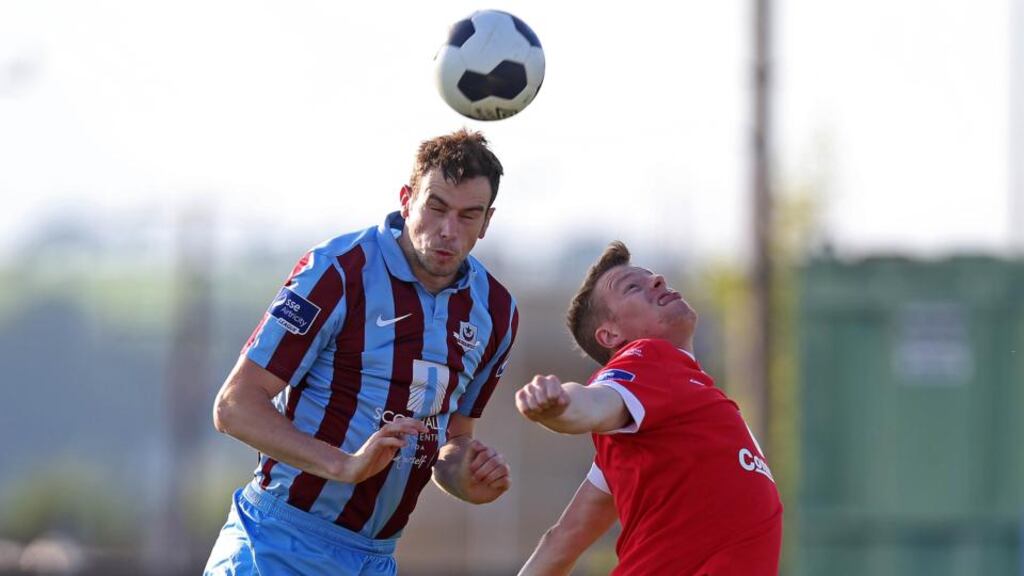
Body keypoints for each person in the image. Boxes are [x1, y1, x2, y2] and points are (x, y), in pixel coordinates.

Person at [204, 129, 519, 575]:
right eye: (436, 207)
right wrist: (341, 464)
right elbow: (234, 406)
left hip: (375, 559)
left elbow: (453, 438)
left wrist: (467, 477)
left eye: (469, 216)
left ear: (487, 222)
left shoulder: (497, 311)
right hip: (278, 546)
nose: (448, 231)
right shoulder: (339, 272)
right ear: (407, 199)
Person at [515, 241, 782, 576]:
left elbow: (562, 541)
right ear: (610, 334)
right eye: (632, 287)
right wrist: (560, 407)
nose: (657, 280)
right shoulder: (652, 360)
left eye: (651, 277)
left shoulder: (670, 412)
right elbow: (594, 402)